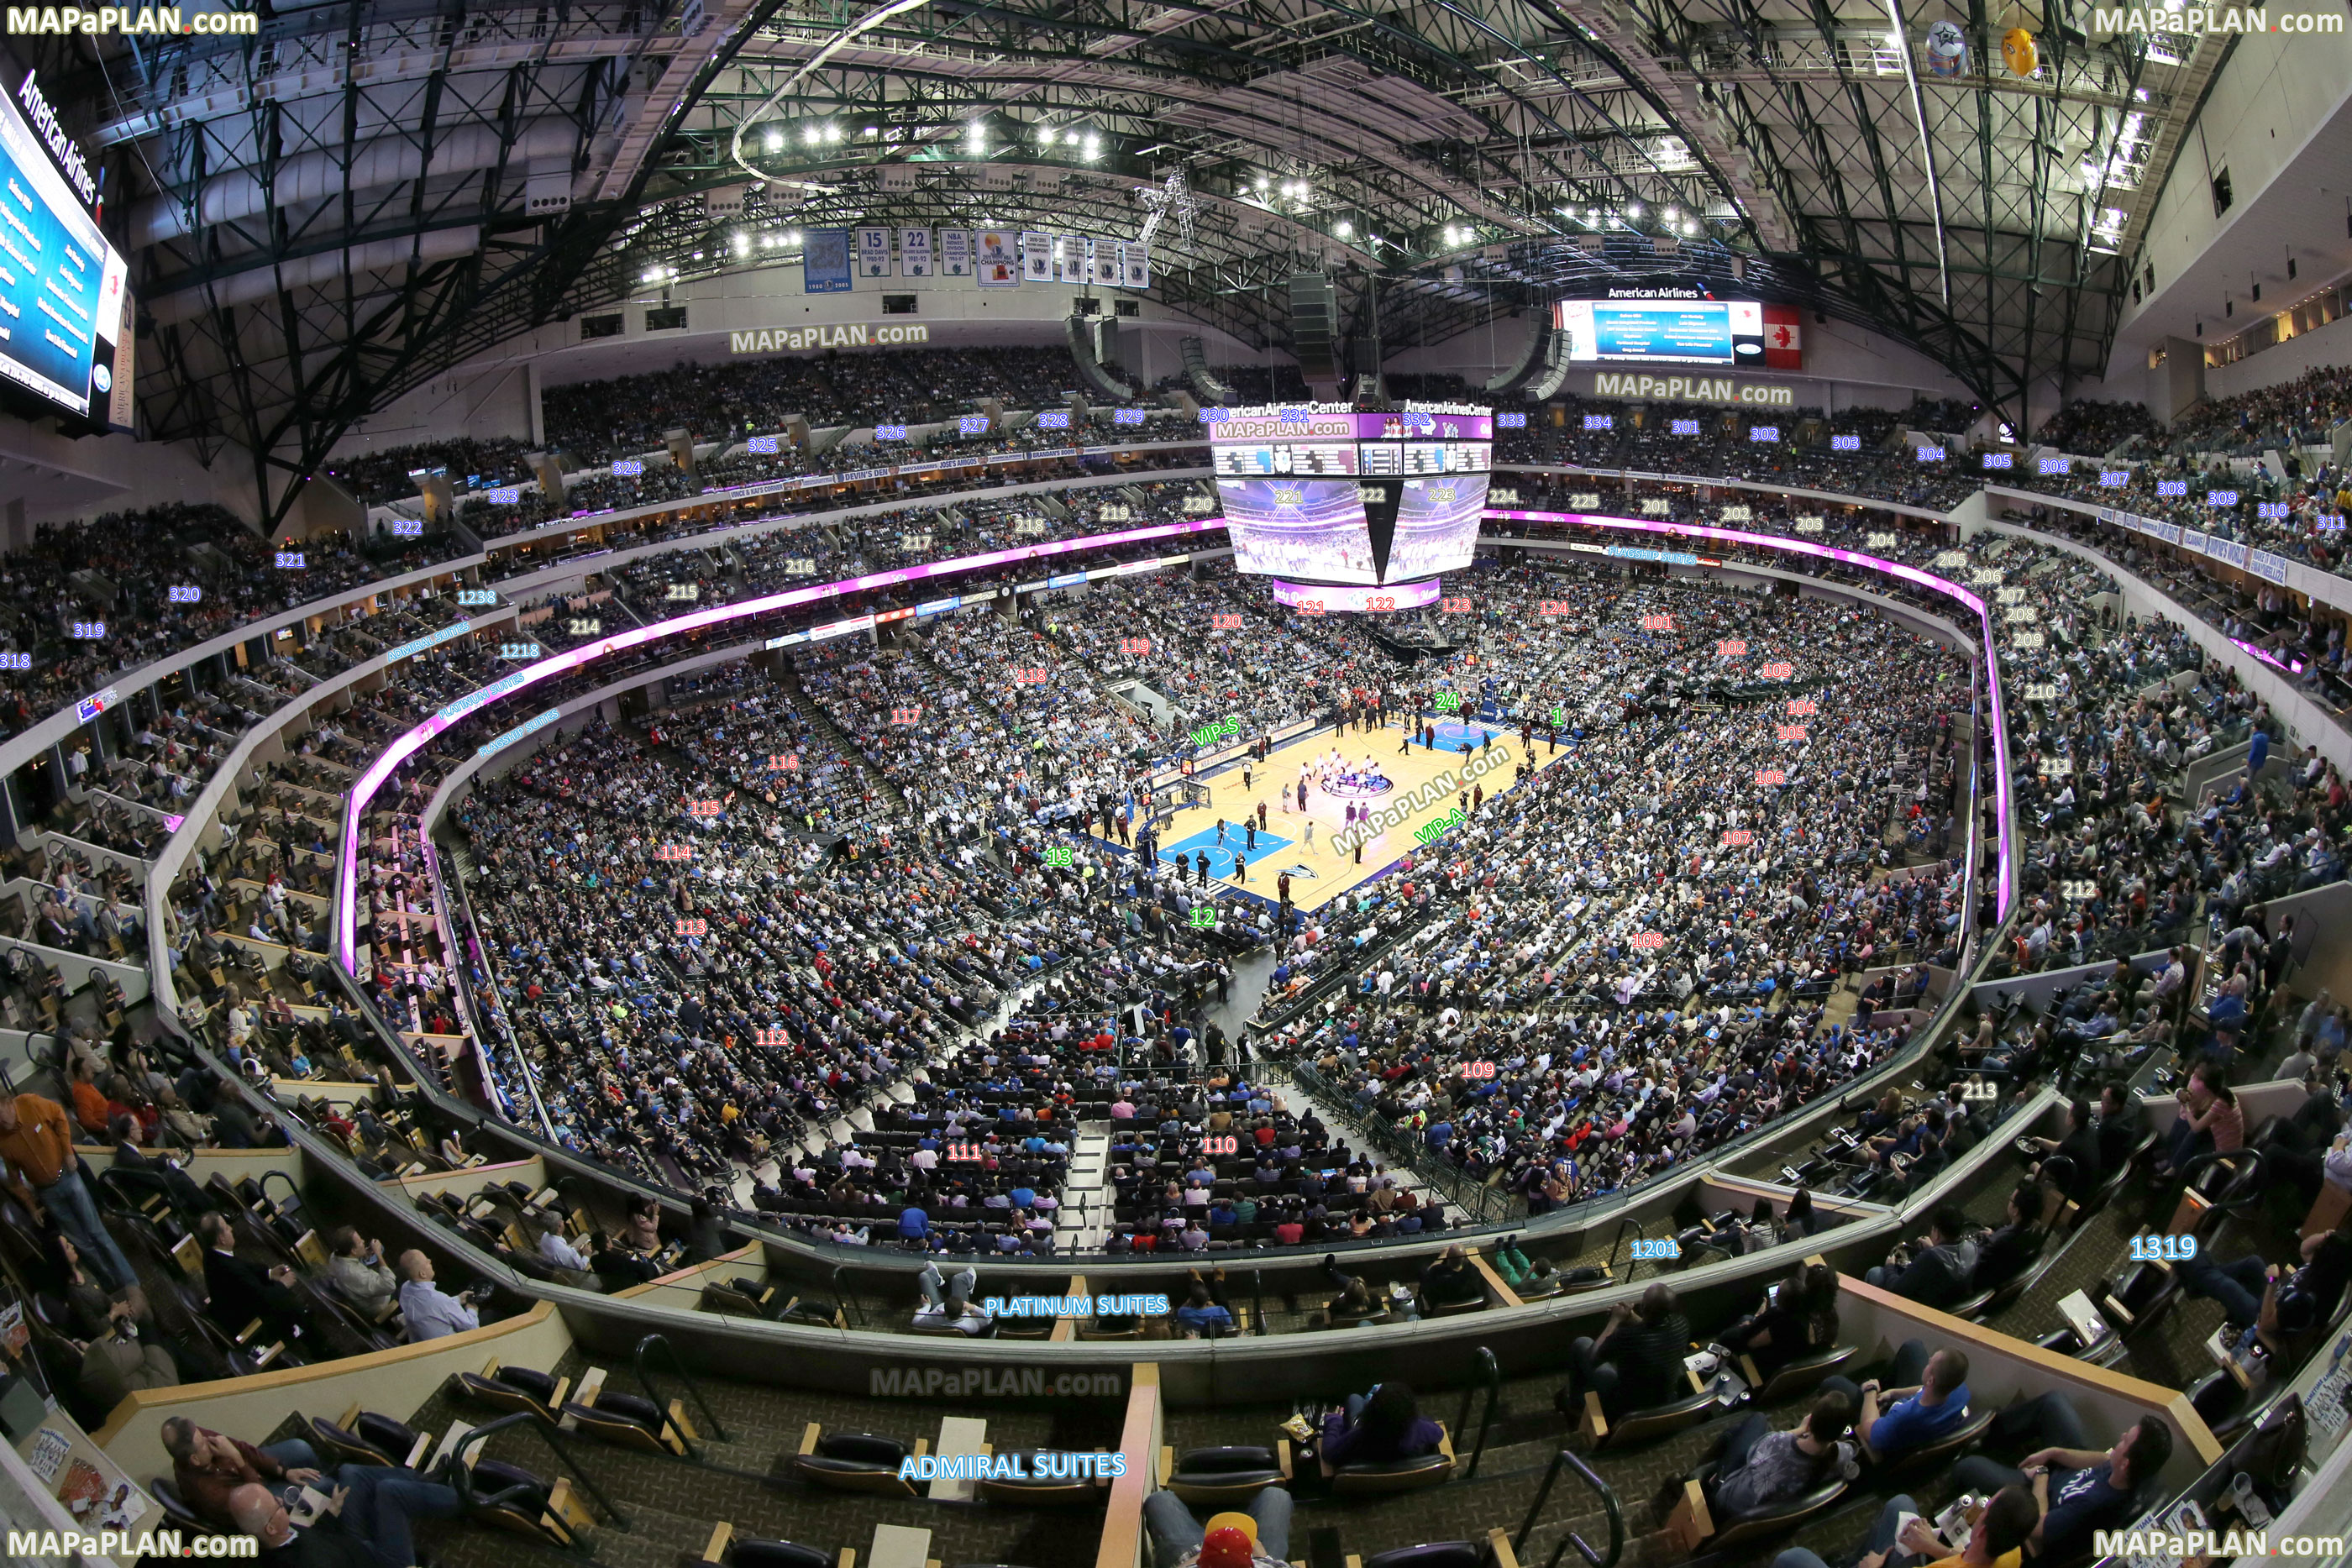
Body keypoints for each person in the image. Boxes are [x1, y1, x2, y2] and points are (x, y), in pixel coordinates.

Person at [1950, 1411, 2173, 1562]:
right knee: (2054, 1404)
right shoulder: (2134, 1471)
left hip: (2036, 1500)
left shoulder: (2095, 1504)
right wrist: (2055, 1453)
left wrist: (2041, 1474)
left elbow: (2037, 1527)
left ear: (2126, 1464)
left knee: (1969, 1467)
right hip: (2058, 1477)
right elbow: (2102, 1459)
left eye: (2126, 1441)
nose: (2122, 1436)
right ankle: (1991, 1432)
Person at [0, 1088, 138, 1300]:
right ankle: (113, 1289)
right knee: (81, 1244)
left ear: (8, 1103)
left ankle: (130, 1282)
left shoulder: (30, 1103)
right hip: (47, 1193)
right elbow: (14, 1179)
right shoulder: (2, 1139)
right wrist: (30, 1205)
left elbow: (60, 1117)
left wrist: (67, 1151)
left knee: (97, 1232)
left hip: (68, 1177)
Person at [2174, 1223, 2352, 1358]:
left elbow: (2265, 1325)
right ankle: (2195, 1279)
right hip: (2277, 1299)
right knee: (2254, 1262)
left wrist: (2272, 1283)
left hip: (2262, 1320)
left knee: (2225, 1285)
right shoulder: (2328, 1274)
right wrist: (2324, 1237)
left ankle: (2189, 1257)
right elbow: (2304, 1250)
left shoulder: (2304, 1300)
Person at [1772, 1485, 2040, 1568]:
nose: (1982, 1506)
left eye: (1988, 1505)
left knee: (1792, 1558)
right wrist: (1931, 1546)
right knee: (1902, 1504)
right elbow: (1969, 1561)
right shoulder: (2012, 1553)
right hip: (1933, 1559)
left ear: (1980, 1531)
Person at [1706, 1390, 1858, 1518]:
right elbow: (1851, 1450)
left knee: (1757, 1420)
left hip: (1729, 1503)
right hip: (1769, 1508)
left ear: (1811, 1421)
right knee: (1733, 1434)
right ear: (1839, 1434)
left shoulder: (1778, 1443)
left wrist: (1800, 1430)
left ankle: (1709, 1476)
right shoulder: (1843, 1454)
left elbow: (1752, 1454)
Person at [1557, 1282, 1692, 1418]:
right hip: (1663, 1400)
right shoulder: (1682, 1324)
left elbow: (1594, 1358)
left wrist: (1615, 1320)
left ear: (1644, 1307)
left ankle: (1575, 1404)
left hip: (1625, 1407)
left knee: (1582, 1343)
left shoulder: (1628, 1337)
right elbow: (1652, 1329)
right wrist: (1631, 1316)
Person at [1822, 1344, 1971, 1458]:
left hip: (1886, 1426)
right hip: (1910, 1410)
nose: (1928, 1361)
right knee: (1913, 1347)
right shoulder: (1960, 1390)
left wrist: (1870, 1391)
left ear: (1931, 1380)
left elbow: (1868, 1430)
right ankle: (1883, 1384)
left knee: (1833, 1383)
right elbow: (1924, 1389)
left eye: (1929, 1364)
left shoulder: (1904, 1417)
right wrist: (1894, 1393)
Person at [201, 1212, 313, 1345]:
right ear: (222, 1239)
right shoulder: (230, 1268)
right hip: (245, 1319)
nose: (231, 1228)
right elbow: (263, 1297)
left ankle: (299, 1319)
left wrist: (269, 1273)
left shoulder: (210, 1254)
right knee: (285, 1299)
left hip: (235, 1303)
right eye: (226, 1228)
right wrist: (283, 1284)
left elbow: (245, 1267)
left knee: (275, 1287)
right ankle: (317, 1344)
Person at [1719, 1261, 1840, 1378]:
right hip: (1796, 1369)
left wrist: (1756, 1318)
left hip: (1770, 1368)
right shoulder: (1832, 1318)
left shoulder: (1792, 1320)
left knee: (1733, 1330)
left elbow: (1752, 1343)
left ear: (1808, 1290)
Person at [1866, 1206, 1980, 1308]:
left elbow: (1897, 1289)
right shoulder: (1972, 1248)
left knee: (1875, 1273)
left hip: (1923, 1307)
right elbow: (1951, 1261)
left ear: (1937, 1233)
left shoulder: (1930, 1258)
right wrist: (1933, 1248)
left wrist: (1889, 1267)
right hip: (1949, 1301)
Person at [1142, 1492, 1292, 1568]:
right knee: (1277, 1496)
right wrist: (1264, 1558)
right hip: (1259, 1557)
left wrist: (1207, 1553)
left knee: (1160, 1500)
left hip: (1193, 1554)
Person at [1320, 1382, 1444, 1467]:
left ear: (1368, 1414)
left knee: (1354, 1399)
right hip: (1399, 1458)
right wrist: (1417, 1420)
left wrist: (1334, 1420)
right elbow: (1439, 1433)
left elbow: (1329, 1454)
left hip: (1367, 1457)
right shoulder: (1419, 1428)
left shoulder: (1358, 1436)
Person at [1971, 1181, 2049, 1291]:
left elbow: (1973, 1260)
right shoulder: (2036, 1228)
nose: (2009, 1200)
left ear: (2016, 1210)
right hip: (2008, 1266)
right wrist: (1994, 1235)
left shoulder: (1998, 1241)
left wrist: (1991, 1239)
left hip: (1982, 1281)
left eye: (2011, 1199)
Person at [2024, 1099, 2102, 1204]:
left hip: (2071, 1199)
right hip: (2088, 1191)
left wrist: (2033, 1164)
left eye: (2069, 1112)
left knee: (2028, 1179)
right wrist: (2042, 1142)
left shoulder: (2070, 1146)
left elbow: (2041, 1176)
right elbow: (2061, 1146)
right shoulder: (2089, 1131)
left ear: (2071, 1120)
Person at [396, 1250, 484, 1340]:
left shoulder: (405, 1289)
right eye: (427, 1262)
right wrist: (472, 1311)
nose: (430, 1260)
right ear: (423, 1274)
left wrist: (457, 1299)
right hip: (448, 1350)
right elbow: (472, 1329)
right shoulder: (439, 1300)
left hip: (421, 1346)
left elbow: (434, 1309)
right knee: (490, 1315)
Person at [323, 1227, 398, 1319]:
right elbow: (390, 1285)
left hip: (363, 1287)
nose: (363, 1241)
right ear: (353, 1251)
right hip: (382, 1302)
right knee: (406, 1271)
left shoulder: (334, 1257)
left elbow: (350, 1257)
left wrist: (363, 1253)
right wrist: (378, 1254)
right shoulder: (356, 1275)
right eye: (360, 1242)